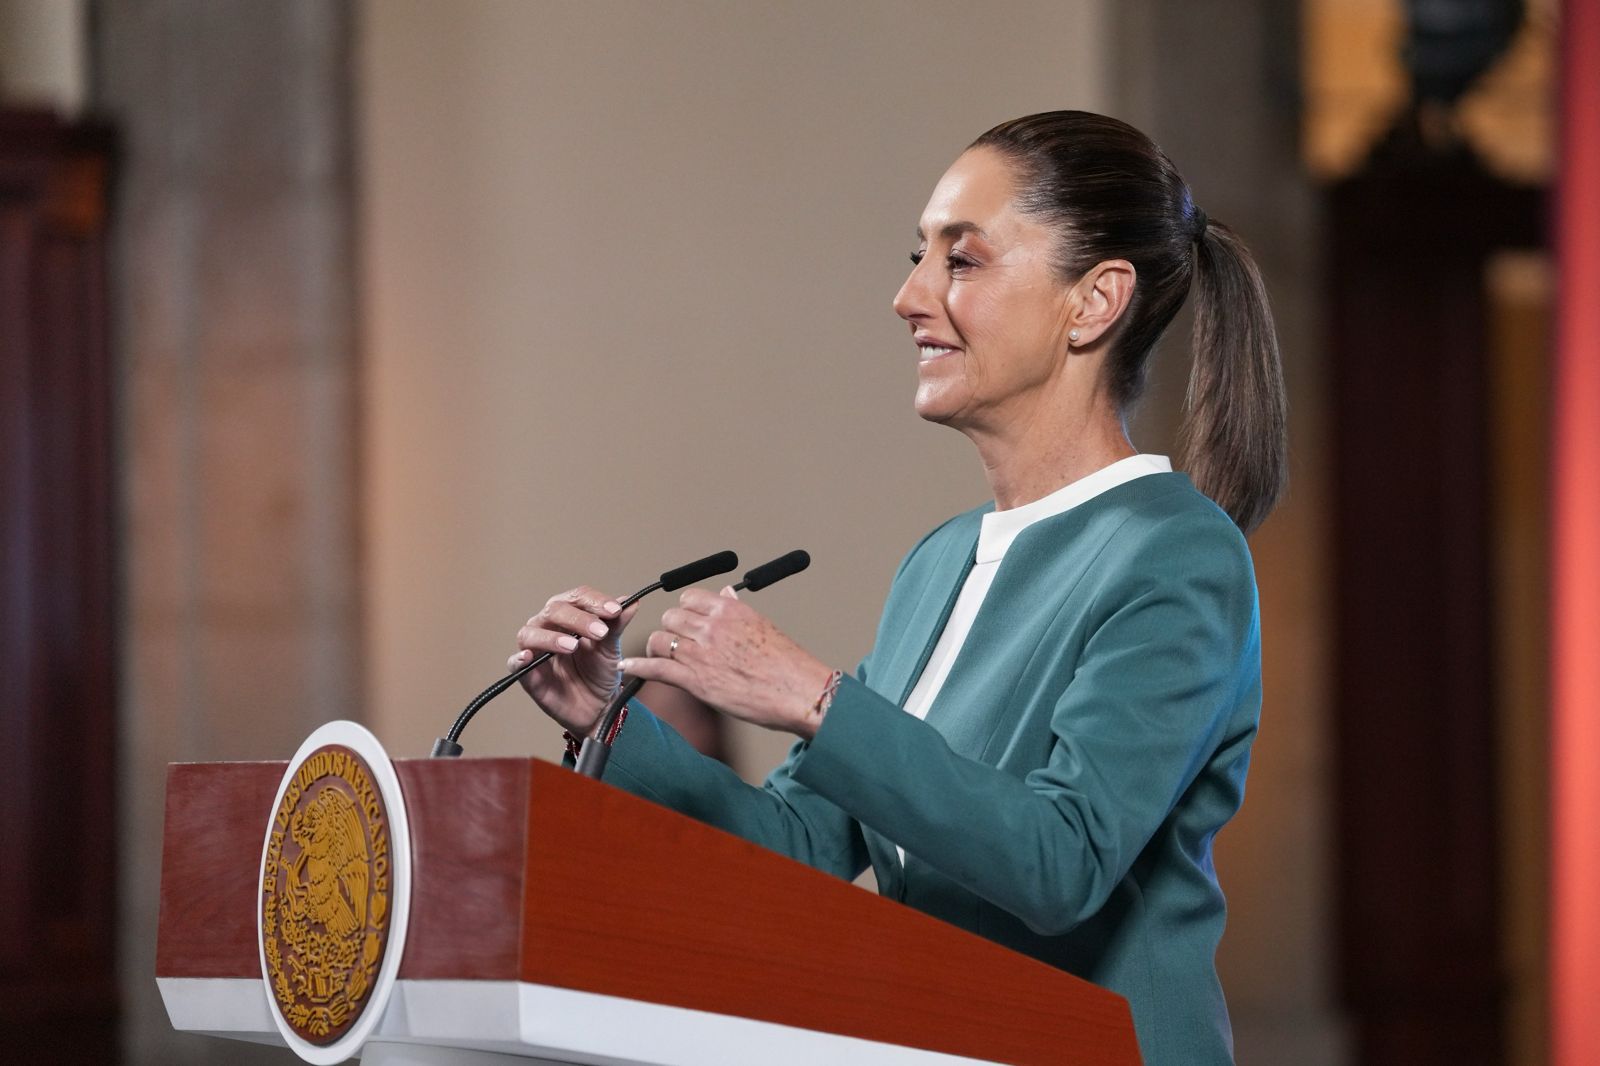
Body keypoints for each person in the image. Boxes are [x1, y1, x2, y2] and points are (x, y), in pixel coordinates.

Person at [509, 110, 1286, 1066]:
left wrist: (814, 699)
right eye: (919, 256)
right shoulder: (941, 562)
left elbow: (1064, 861)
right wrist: (608, 720)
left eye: (962, 260)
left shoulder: (1175, 553)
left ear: (1094, 302)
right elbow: (801, 846)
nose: (908, 296)